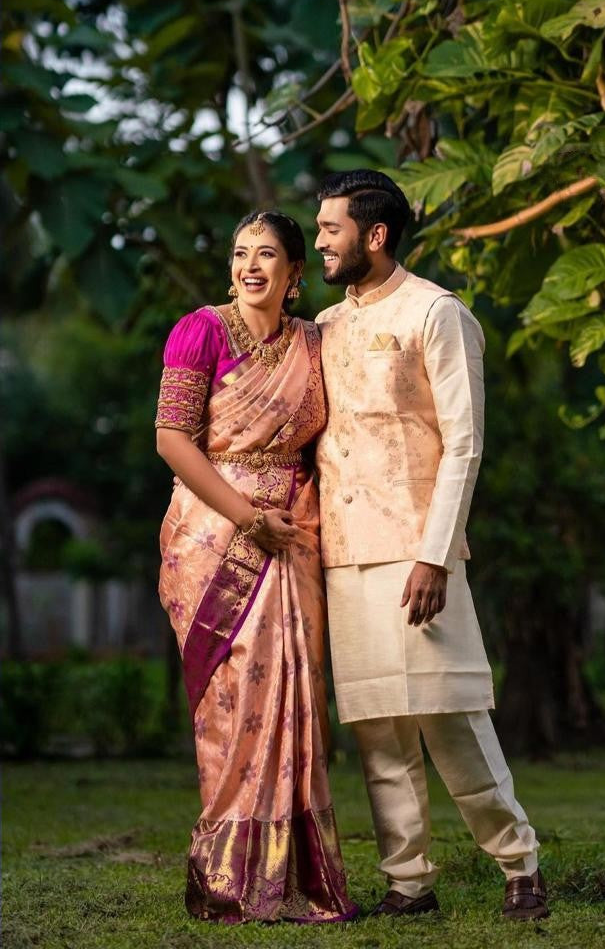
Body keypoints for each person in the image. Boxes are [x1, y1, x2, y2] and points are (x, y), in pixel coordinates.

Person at [313, 170, 549, 921]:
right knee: (377, 727)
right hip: (344, 550)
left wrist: (436, 553)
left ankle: (519, 864)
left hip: (417, 549)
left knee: (451, 715)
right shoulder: (325, 324)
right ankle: (408, 882)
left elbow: (465, 444)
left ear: (374, 236)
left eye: (330, 230)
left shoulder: (436, 313)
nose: (319, 241)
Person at [155, 211, 356, 925]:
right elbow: (173, 440)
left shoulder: (316, 341)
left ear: (296, 272)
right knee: (232, 705)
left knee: (296, 703)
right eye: (241, 252)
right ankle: (226, 880)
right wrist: (247, 519)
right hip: (215, 537)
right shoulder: (200, 330)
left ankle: (295, 879)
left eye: (267, 254)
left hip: (294, 535)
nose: (250, 266)